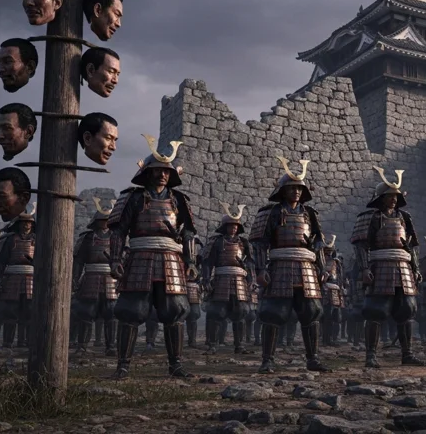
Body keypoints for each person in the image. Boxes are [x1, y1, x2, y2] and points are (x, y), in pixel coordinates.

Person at [108, 135, 196, 379]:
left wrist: (191, 261)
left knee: (175, 310)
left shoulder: (179, 200)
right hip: (140, 258)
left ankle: (176, 365)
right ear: (147, 172)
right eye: (157, 170)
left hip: (171, 260)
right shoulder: (133, 198)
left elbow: (188, 232)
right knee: (131, 310)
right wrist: (115, 260)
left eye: (166, 171)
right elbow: (118, 231)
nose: (162, 175)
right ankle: (123, 365)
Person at [250, 156, 329, 373]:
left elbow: (318, 242)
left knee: (311, 312)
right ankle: (267, 360)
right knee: (273, 313)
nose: (296, 192)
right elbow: (260, 243)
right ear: (283, 190)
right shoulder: (272, 212)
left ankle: (312, 359)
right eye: (292, 188)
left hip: (306, 268)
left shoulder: (310, 214)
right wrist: (261, 269)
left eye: (299, 188)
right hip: (280, 267)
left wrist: (322, 268)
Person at [352, 166, 424, 368]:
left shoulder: (405, 218)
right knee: (375, 310)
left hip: (403, 268)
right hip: (380, 267)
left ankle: (407, 354)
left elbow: (411, 246)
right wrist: (365, 269)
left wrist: (416, 268)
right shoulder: (371, 217)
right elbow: (361, 245)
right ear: (381, 198)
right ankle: (371, 356)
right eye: (390, 196)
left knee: (407, 309)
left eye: (396, 196)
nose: (393, 199)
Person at [201, 204, 253, 354]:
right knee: (216, 313)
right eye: (231, 226)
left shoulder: (244, 243)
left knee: (240, 312)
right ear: (225, 227)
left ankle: (239, 345)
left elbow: (250, 263)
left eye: (236, 226)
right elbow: (208, 262)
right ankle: (212, 345)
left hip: (239, 282)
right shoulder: (216, 242)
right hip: (221, 280)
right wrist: (206, 279)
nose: (233, 228)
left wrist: (251, 280)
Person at [72, 198, 118, 356]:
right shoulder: (87, 238)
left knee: (111, 313)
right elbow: (79, 261)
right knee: (86, 312)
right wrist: (75, 279)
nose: (104, 223)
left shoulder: (116, 237)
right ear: (96, 221)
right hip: (91, 278)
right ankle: (82, 346)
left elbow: (123, 259)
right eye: (101, 220)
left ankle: (111, 346)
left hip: (111, 279)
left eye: (107, 220)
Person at [0, 204, 36, 352]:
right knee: (10, 312)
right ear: (18, 224)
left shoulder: (37, 240)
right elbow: (1, 261)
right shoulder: (9, 240)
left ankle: (26, 342)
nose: (26, 225)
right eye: (23, 223)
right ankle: (7, 343)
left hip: (31, 280)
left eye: (28, 223)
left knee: (29, 313)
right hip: (12, 280)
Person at [319, 236, 343, 347]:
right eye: (326, 251)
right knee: (325, 317)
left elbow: (339, 278)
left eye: (330, 251)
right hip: (324, 291)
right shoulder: (320, 261)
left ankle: (332, 339)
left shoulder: (336, 262)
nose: (328, 254)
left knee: (335, 317)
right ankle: (325, 339)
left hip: (335, 292)